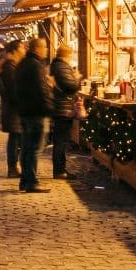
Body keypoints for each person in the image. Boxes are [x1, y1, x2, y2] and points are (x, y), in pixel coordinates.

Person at [13, 36, 54, 193]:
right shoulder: (35, 65)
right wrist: (49, 108)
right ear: (36, 48)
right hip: (36, 112)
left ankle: (25, 180)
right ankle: (31, 181)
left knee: (27, 147)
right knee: (34, 148)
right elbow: (41, 90)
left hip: (26, 110)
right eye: (44, 47)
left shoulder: (24, 63)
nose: (46, 50)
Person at [49, 44, 82, 180]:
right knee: (61, 141)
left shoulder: (57, 66)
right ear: (67, 55)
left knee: (60, 140)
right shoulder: (61, 67)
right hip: (63, 108)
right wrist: (76, 77)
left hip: (61, 106)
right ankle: (59, 171)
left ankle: (60, 169)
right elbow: (71, 85)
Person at [0, 41, 26, 179]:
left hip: (13, 108)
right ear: (15, 50)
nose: (24, 49)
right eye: (21, 47)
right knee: (15, 139)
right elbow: (14, 89)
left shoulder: (12, 65)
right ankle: (12, 167)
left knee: (16, 138)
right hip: (13, 109)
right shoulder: (10, 66)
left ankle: (14, 166)